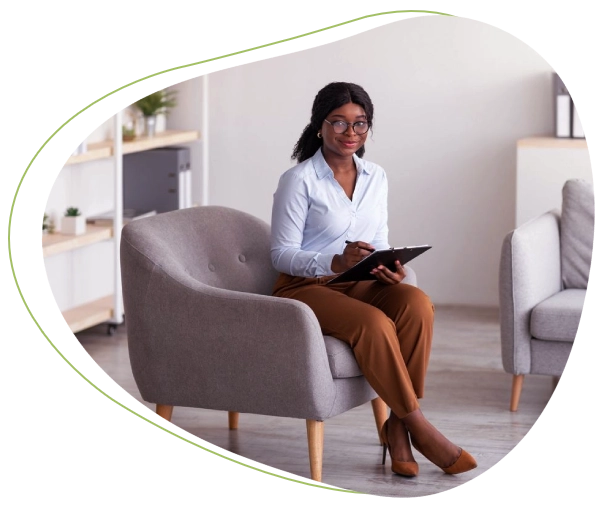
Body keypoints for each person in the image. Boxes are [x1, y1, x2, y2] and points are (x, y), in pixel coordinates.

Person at [269, 81, 477, 478]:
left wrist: (389, 265)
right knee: (373, 323)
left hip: (358, 279)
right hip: (305, 287)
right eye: (340, 123)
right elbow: (280, 254)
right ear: (320, 126)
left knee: (417, 304)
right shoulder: (298, 181)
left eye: (360, 124)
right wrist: (333, 261)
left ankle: (395, 426)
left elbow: (379, 239)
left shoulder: (376, 176)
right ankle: (417, 425)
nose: (350, 134)